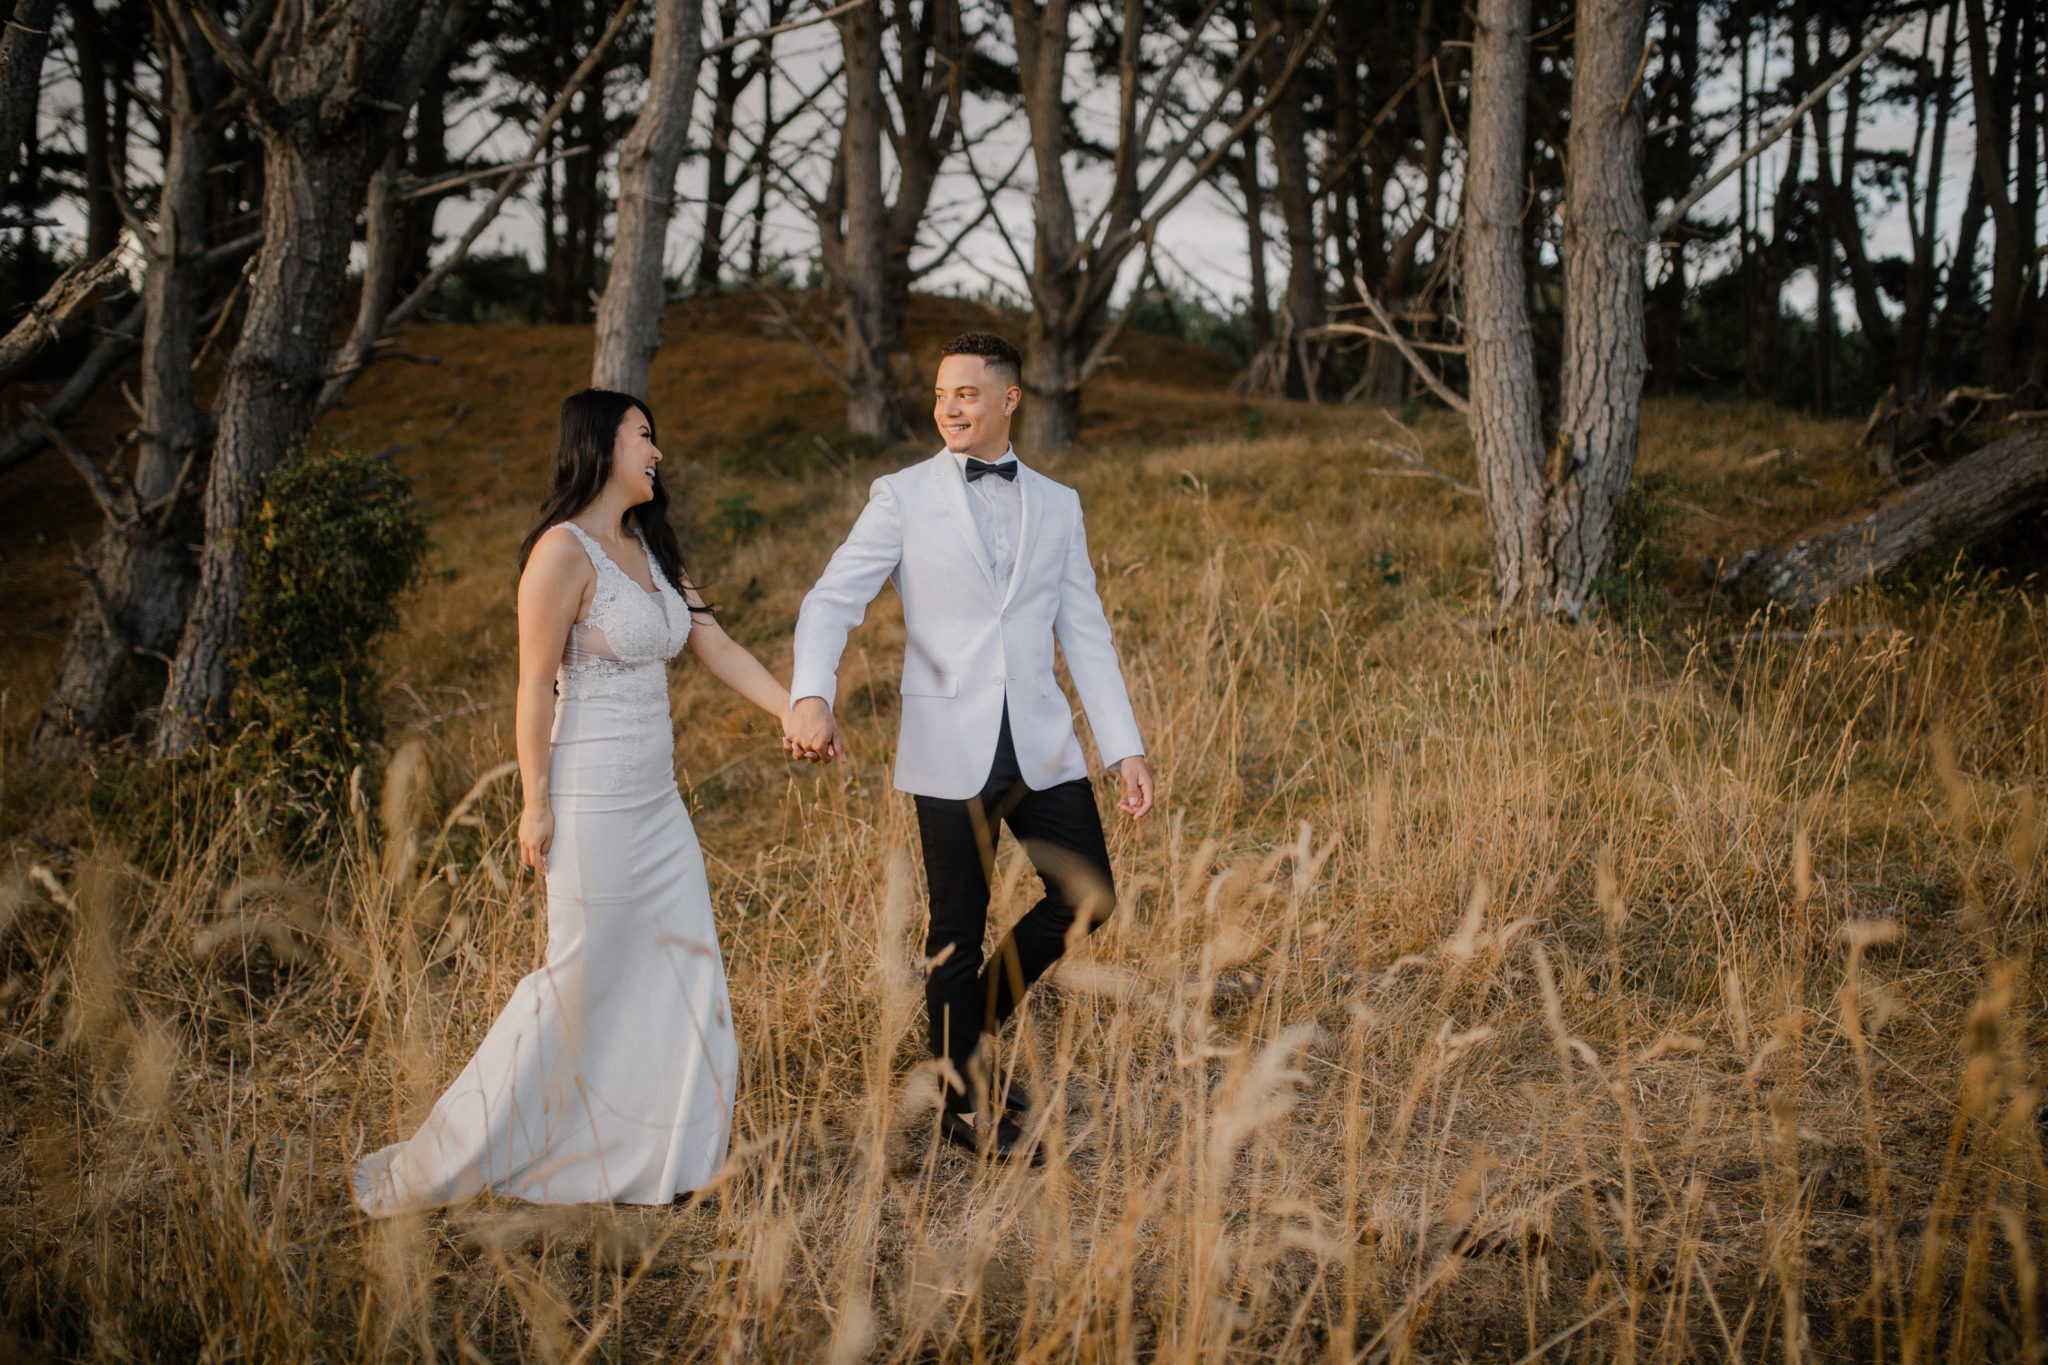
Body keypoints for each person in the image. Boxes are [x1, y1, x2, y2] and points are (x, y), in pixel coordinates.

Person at [354, 388, 801, 1214]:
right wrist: (534, 801)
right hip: (588, 796)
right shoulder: (561, 554)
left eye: (655, 437)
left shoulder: (654, 551)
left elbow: (717, 644)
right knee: (579, 973)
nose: (657, 451)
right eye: (643, 436)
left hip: (658, 802)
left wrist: (792, 708)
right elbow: (532, 686)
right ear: (600, 445)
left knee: (684, 968)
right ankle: (470, 1150)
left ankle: (668, 1159)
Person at [785, 331, 1155, 1162]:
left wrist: (1123, 746)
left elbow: (1085, 632)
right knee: (958, 922)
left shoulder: (1059, 503)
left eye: (967, 393)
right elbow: (831, 598)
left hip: (1041, 742)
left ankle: (958, 1045)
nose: (949, 406)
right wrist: (813, 691)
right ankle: (961, 1099)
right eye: (942, 393)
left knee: (1087, 895)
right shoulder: (902, 495)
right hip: (947, 742)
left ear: (1010, 399)